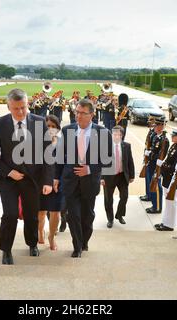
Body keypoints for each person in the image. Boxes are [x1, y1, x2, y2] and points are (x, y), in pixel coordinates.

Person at [0, 89, 54, 265]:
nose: (20, 112)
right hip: (8, 179)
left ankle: (32, 244)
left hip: (32, 179)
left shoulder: (40, 122)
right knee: (9, 214)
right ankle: (6, 250)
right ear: (8, 106)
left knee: (32, 215)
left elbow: (48, 154)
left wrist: (47, 181)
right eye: (16, 108)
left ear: (28, 104)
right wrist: (9, 172)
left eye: (23, 108)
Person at [56, 99, 112, 258]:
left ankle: (84, 240)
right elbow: (59, 157)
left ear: (92, 115)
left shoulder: (103, 133)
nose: (78, 116)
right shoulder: (67, 130)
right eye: (77, 112)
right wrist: (55, 178)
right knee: (72, 215)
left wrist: (89, 169)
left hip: (89, 183)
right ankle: (77, 246)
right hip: (70, 182)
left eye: (82, 113)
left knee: (87, 217)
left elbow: (108, 159)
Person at [101, 125, 135, 228]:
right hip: (109, 176)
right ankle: (110, 219)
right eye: (114, 134)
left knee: (124, 197)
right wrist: (101, 178)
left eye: (118, 134)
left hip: (122, 176)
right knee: (108, 199)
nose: (115, 136)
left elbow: (130, 161)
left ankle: (119, 215)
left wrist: (132, 175)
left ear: (121, 135)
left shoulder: (126, 146)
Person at [38, 115, 63, 250]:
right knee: (41, 212)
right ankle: (40, 232)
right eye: (48, 126)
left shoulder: (62, 143)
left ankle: (51, 237)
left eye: (53, 126)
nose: (50, 129)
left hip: (57, 183)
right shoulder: (38, 143)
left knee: (55, 212)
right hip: (42, 182)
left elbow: (64, 163)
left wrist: (58, 178)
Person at [154, 128, 177, 231]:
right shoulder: (174, 146)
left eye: (175, 135)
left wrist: (163, 165)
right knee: (168, 202)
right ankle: (165, 222)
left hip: (172, 179)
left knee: (171, 202)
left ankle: (169, 225)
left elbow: (175, 167)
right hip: (167, 178)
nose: (172, 137)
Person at [146, 116, 169, 214]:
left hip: (157, 165)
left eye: (157, 126)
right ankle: (154, 204)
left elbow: (160, 154)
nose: (154, 127)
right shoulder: (156, 136)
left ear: (161, 126)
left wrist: (149, 154)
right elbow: (152, 148)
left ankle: (157, 207)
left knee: (157, 185)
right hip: (152, 163)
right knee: (152, 183)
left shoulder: (164, 140)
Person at [139, 117, 156, 202]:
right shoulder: (151, 132)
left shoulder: (154, 133)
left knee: (150, 178)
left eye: (151, 122)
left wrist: (148, 155)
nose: (149, 123)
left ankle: (150, 195)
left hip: (151, 159)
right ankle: (148, 194)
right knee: (147, 177)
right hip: (147, 158)